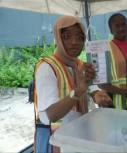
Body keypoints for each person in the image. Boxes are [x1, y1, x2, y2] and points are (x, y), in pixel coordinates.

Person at [34, 16, 113, 153]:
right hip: (57, 139)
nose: (74, 42)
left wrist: (100, 96)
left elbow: (94, 91)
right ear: (58, 38)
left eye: (80, 37)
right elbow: (52, 114)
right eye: (66, 36)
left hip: (77, 134)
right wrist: (79, 91)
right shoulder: (47, 68)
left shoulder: (80, 65)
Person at [98, 13, 127, 110]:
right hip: (112, 103)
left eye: (123, 24)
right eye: (117, 26)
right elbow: (101, 83)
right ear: (111, 30)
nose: (121, 28)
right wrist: (124, 92)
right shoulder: (104, 49)